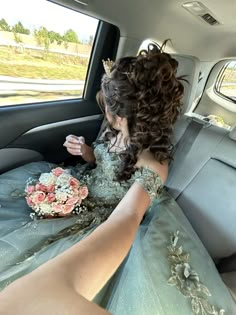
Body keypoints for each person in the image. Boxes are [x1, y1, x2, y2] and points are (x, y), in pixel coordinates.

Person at [0, 43, 235, 314]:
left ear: (120, 114)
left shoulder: (153, 162)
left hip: (109, 217)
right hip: (84, 187)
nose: (105, 112)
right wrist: (87, 152)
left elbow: (128, 217)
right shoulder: (116, 131)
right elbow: (101, 162)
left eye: (107, 106)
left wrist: (60, 282)